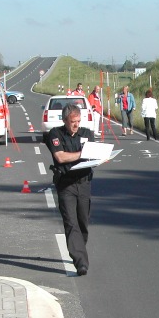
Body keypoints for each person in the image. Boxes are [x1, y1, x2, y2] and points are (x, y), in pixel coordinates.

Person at [47, 104, 95, 276]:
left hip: (84, 183)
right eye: (73, 122)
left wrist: (101, 157)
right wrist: (81, 154)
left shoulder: (87, 134)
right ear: (65, 120)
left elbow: (94, 154)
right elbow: (60, 157)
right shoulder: (56, 134)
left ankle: (78, 249)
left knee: (83, 222)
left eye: (78, 121)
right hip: (66, 184)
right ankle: (81, 262)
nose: (76, 125)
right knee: (71, 223)